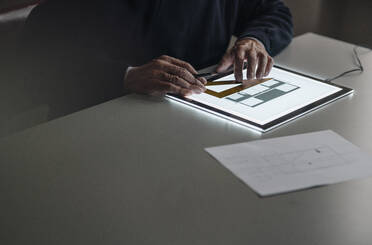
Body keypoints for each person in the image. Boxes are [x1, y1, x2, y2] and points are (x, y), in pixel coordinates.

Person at [20, 0, 293, 117]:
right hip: (100, 119)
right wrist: (125, 75)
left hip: (195, 114)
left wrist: (255, 39)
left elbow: (274, 12)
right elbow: (36, 60)